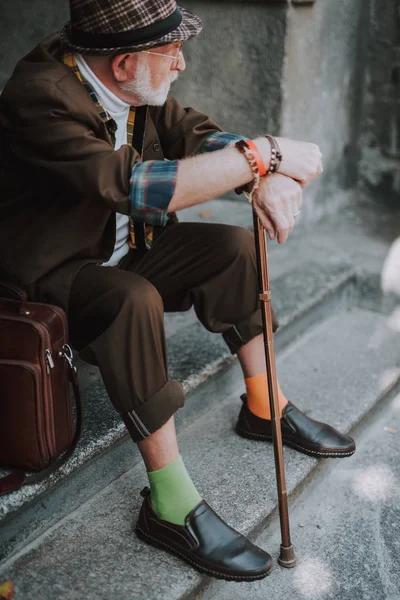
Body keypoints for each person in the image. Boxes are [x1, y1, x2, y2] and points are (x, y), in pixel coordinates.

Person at [0, 0, 356, 581]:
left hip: (125, 246)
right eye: (172, 52)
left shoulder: (128, 81)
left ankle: (266, 406)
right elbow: (134, 185)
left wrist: (256, 176)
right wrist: (265, 154)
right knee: (131, 300)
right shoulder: (38, 96)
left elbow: (193, 130)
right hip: (52, 275)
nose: (183, 63)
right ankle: (170, 505)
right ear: (123, 63)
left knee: (233, 249)